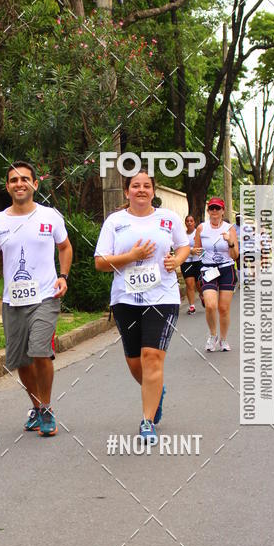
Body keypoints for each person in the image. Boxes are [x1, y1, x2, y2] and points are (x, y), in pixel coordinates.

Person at [94, 171, 189, 444]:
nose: (141, 190)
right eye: (135, 186)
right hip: (125, 298)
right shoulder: (115, 222)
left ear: (153, 191)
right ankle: (156, 389)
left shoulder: (167, 218)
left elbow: (183, 246)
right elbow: (100, 262)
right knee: (135, 362)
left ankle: (147, 420)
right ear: (127, 192)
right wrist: (131, 256)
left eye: (147, 186)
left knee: (152, 357)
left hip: (163, 296)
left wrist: (177, 261)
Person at [0, 161, 73, 437]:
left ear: (35, 184)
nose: (19, 184)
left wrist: (63, 276)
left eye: (25, 179)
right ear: (7, 187)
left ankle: (46, 408)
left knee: (40, 350)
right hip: (13, 300)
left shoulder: (50, 216)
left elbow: (65, 247)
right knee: (20, 360)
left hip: (45, 295)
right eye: (13, 180)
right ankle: (37, 406)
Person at [194, 197, 239, 351]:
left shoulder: (229, 228)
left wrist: (230, 242)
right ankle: (213, 335)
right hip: (208, 269)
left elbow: (235, 255)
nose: (214, 211)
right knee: (210, 305)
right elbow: (196, 250)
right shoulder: (201, 228)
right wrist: (202, 256)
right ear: (208, 211)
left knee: (223, 308)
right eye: (212, 208)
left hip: (226, 268)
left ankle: (224, 339)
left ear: (222, 211)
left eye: (217, 208)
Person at [180, 215, 203, 314]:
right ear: (185, 223)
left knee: (199, 284)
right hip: (186, 262)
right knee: (189, 284)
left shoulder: (198, 233)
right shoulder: (182, 235)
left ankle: (202, 296)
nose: (189, 222)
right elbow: (180, 247)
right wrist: (190, 251)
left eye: (191, 221)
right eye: (187, 221)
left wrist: (197, 251)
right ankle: (192, 306)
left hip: (198, 261)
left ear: (194, 223)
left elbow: (204, 246)